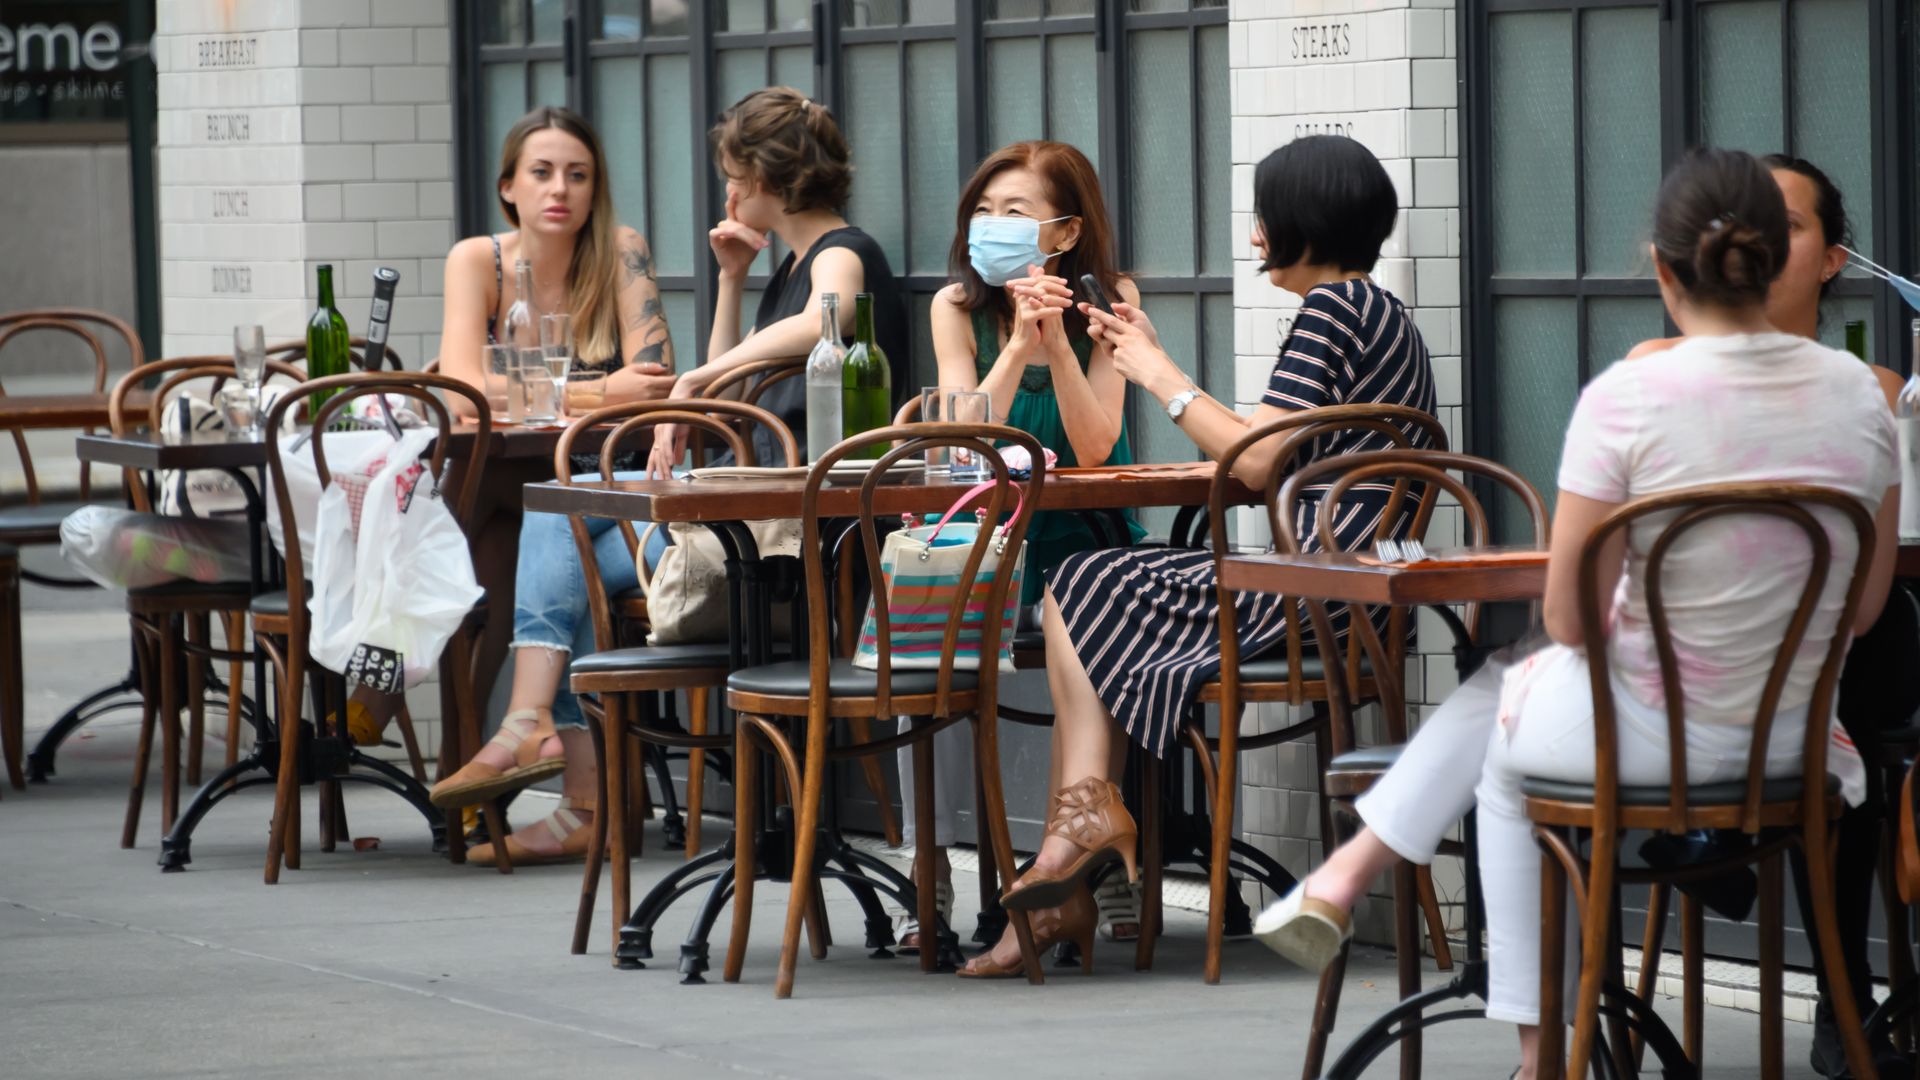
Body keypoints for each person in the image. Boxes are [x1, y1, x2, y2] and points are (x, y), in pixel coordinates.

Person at [1252, 148, 1898, 1079]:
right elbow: (1867, 608)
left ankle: (1537, 1051)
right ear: (1774, 261)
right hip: (1795, 749)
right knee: (1507, 699)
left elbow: (1569, 612)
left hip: (1641, 743)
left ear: (1663, 268)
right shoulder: (1862, 397)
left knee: (1505, 725)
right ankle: (1355, 889)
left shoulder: (1632, 395)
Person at [959, 134, 1438, 977]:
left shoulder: (1329, 310)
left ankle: (1080, 828)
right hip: (1353, 585)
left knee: (1082, 578)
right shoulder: (1377, 309)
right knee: (1092, 578)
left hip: (1319, 586)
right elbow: (1265, 440)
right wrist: (1158, 363)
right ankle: (1081, 834)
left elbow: (1252, 463)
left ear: (1301, 221)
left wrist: (1155, 372)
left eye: (1264, 219)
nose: (1255, 239)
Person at [1630, 154, 1916, 1080]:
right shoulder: (1653, 369)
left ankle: (1738, 847)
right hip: (1702, 672)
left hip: (1819, 664)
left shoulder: (1873, 390)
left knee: (1863, 669)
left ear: (1835, 259)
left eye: (1783, 226)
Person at [898, 140, 1149, 951]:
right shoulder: (955, 305)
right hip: (985, 533)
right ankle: (926, 879)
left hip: (1080, 535)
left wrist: (1060, 348)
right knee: (918, 641)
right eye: (983, 210)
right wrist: (1016, 342)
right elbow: (960, 439)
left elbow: (1095, 446)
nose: (991, 226)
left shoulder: (1111, 298)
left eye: (1015, 213)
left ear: (1065, 234)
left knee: (1078, 600)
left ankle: (1072, 880)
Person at [422, 106, 676, 865]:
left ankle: (508, 759)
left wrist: (538, 391)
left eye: (578, 174)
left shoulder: (621, 254)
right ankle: (516, 778)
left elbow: (657, 385)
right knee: (489, 594)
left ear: (596, 189)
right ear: (509, 187)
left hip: (596, 482)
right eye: (541, 173)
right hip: (495, 476)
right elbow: (462, 384)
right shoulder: (480, 261)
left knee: (519, 577)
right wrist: (601, 390)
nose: (559, 189)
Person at [646, 86, 907, 477]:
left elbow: (821, 321)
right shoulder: (795, 266)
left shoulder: (841, 252)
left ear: (760, 176)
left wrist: (691, 379)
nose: (729, 192)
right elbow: (725, 396)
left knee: (580, 512)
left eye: (731, 176)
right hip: (770, 476)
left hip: (808, 486)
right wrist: (731, 277)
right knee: (587, 507)